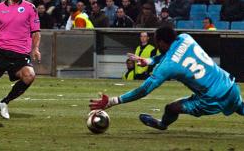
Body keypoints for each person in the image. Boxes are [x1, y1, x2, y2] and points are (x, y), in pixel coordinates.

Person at [90, 26, 244, 130]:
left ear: (162, 42)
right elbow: (170, 53)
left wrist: (113, 101)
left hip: (211, 98)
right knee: (239, 107)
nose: (156, 44)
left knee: (171, 108)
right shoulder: (186, 37)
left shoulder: (168, 66)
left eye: (157, 42)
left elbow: (143, 90)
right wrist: (149, 61)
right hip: (229, 84)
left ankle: (162, 124)